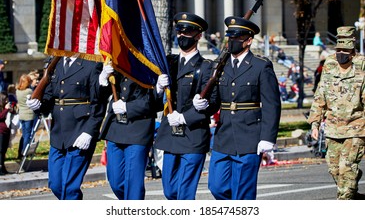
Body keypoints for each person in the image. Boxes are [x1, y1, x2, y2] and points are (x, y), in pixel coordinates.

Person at [208, 16, 281, 200]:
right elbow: (215, 100)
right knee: (216, 186)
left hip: (249, 136)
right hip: (224, 136)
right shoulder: (220, 65)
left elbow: (272, 104)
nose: (231, 41)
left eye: (236, 37)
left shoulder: (260, 66)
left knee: (243, 194)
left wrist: (267, 138)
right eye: (229, 37)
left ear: (248, 41)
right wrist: (203, 104)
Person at [154, 12, 219, 200]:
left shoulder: (207, 67)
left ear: (198, 36)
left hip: (193, 135)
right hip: (170, 135)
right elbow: (153, 101)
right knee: (170, 191)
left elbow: (213, 103)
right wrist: (158, 88)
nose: (182, 36)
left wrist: (187, 115)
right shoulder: (168, 63)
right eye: (179, 32)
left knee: (184, 194)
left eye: (187, 32)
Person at [26, 56, 105, 200]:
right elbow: (49, 98)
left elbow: (98, 103)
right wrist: (38, 106)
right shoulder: (55, 64)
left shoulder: (91, 64)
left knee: (70, 187)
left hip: (80, 130)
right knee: (56, 184)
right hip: (58, 133)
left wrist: (89, 131)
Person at [307, 26, 365, 200]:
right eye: (338, 49)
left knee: (346, 170)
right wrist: (315, 123)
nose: (340, 53)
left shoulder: (362, 66)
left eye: (344, 50)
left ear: (352, 50)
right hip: (333, 128)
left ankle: (346, 195)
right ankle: (352, 187)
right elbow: (320, 95)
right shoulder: (330, 64)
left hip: (356, 128)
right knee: (334, 170)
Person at [97, 64, 156, 200]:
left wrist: (128, 107)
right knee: (116, 182)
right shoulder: (116, 61)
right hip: (115, 128)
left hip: (138, 128)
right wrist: (103, 79)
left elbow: (153, 100)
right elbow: (98, 97)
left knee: (133, 182)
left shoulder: (148, 62)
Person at [15, 74, 36, 159]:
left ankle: (20, 152)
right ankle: (24, 152)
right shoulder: (28, 91)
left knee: (23, 135)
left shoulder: (17, 91)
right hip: (29, 115)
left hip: (21, 114)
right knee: (27, 135)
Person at [0, 92, 13, 175]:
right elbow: (0, 117)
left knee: (4, 150)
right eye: (6, 99)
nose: (7, 101)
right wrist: (6, 109)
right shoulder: (3, 108)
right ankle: (0, 167)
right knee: (0, 150)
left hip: (6, 131)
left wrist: (11, 109)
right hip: (0, 131)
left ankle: (3, 167)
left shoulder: (4, 108)